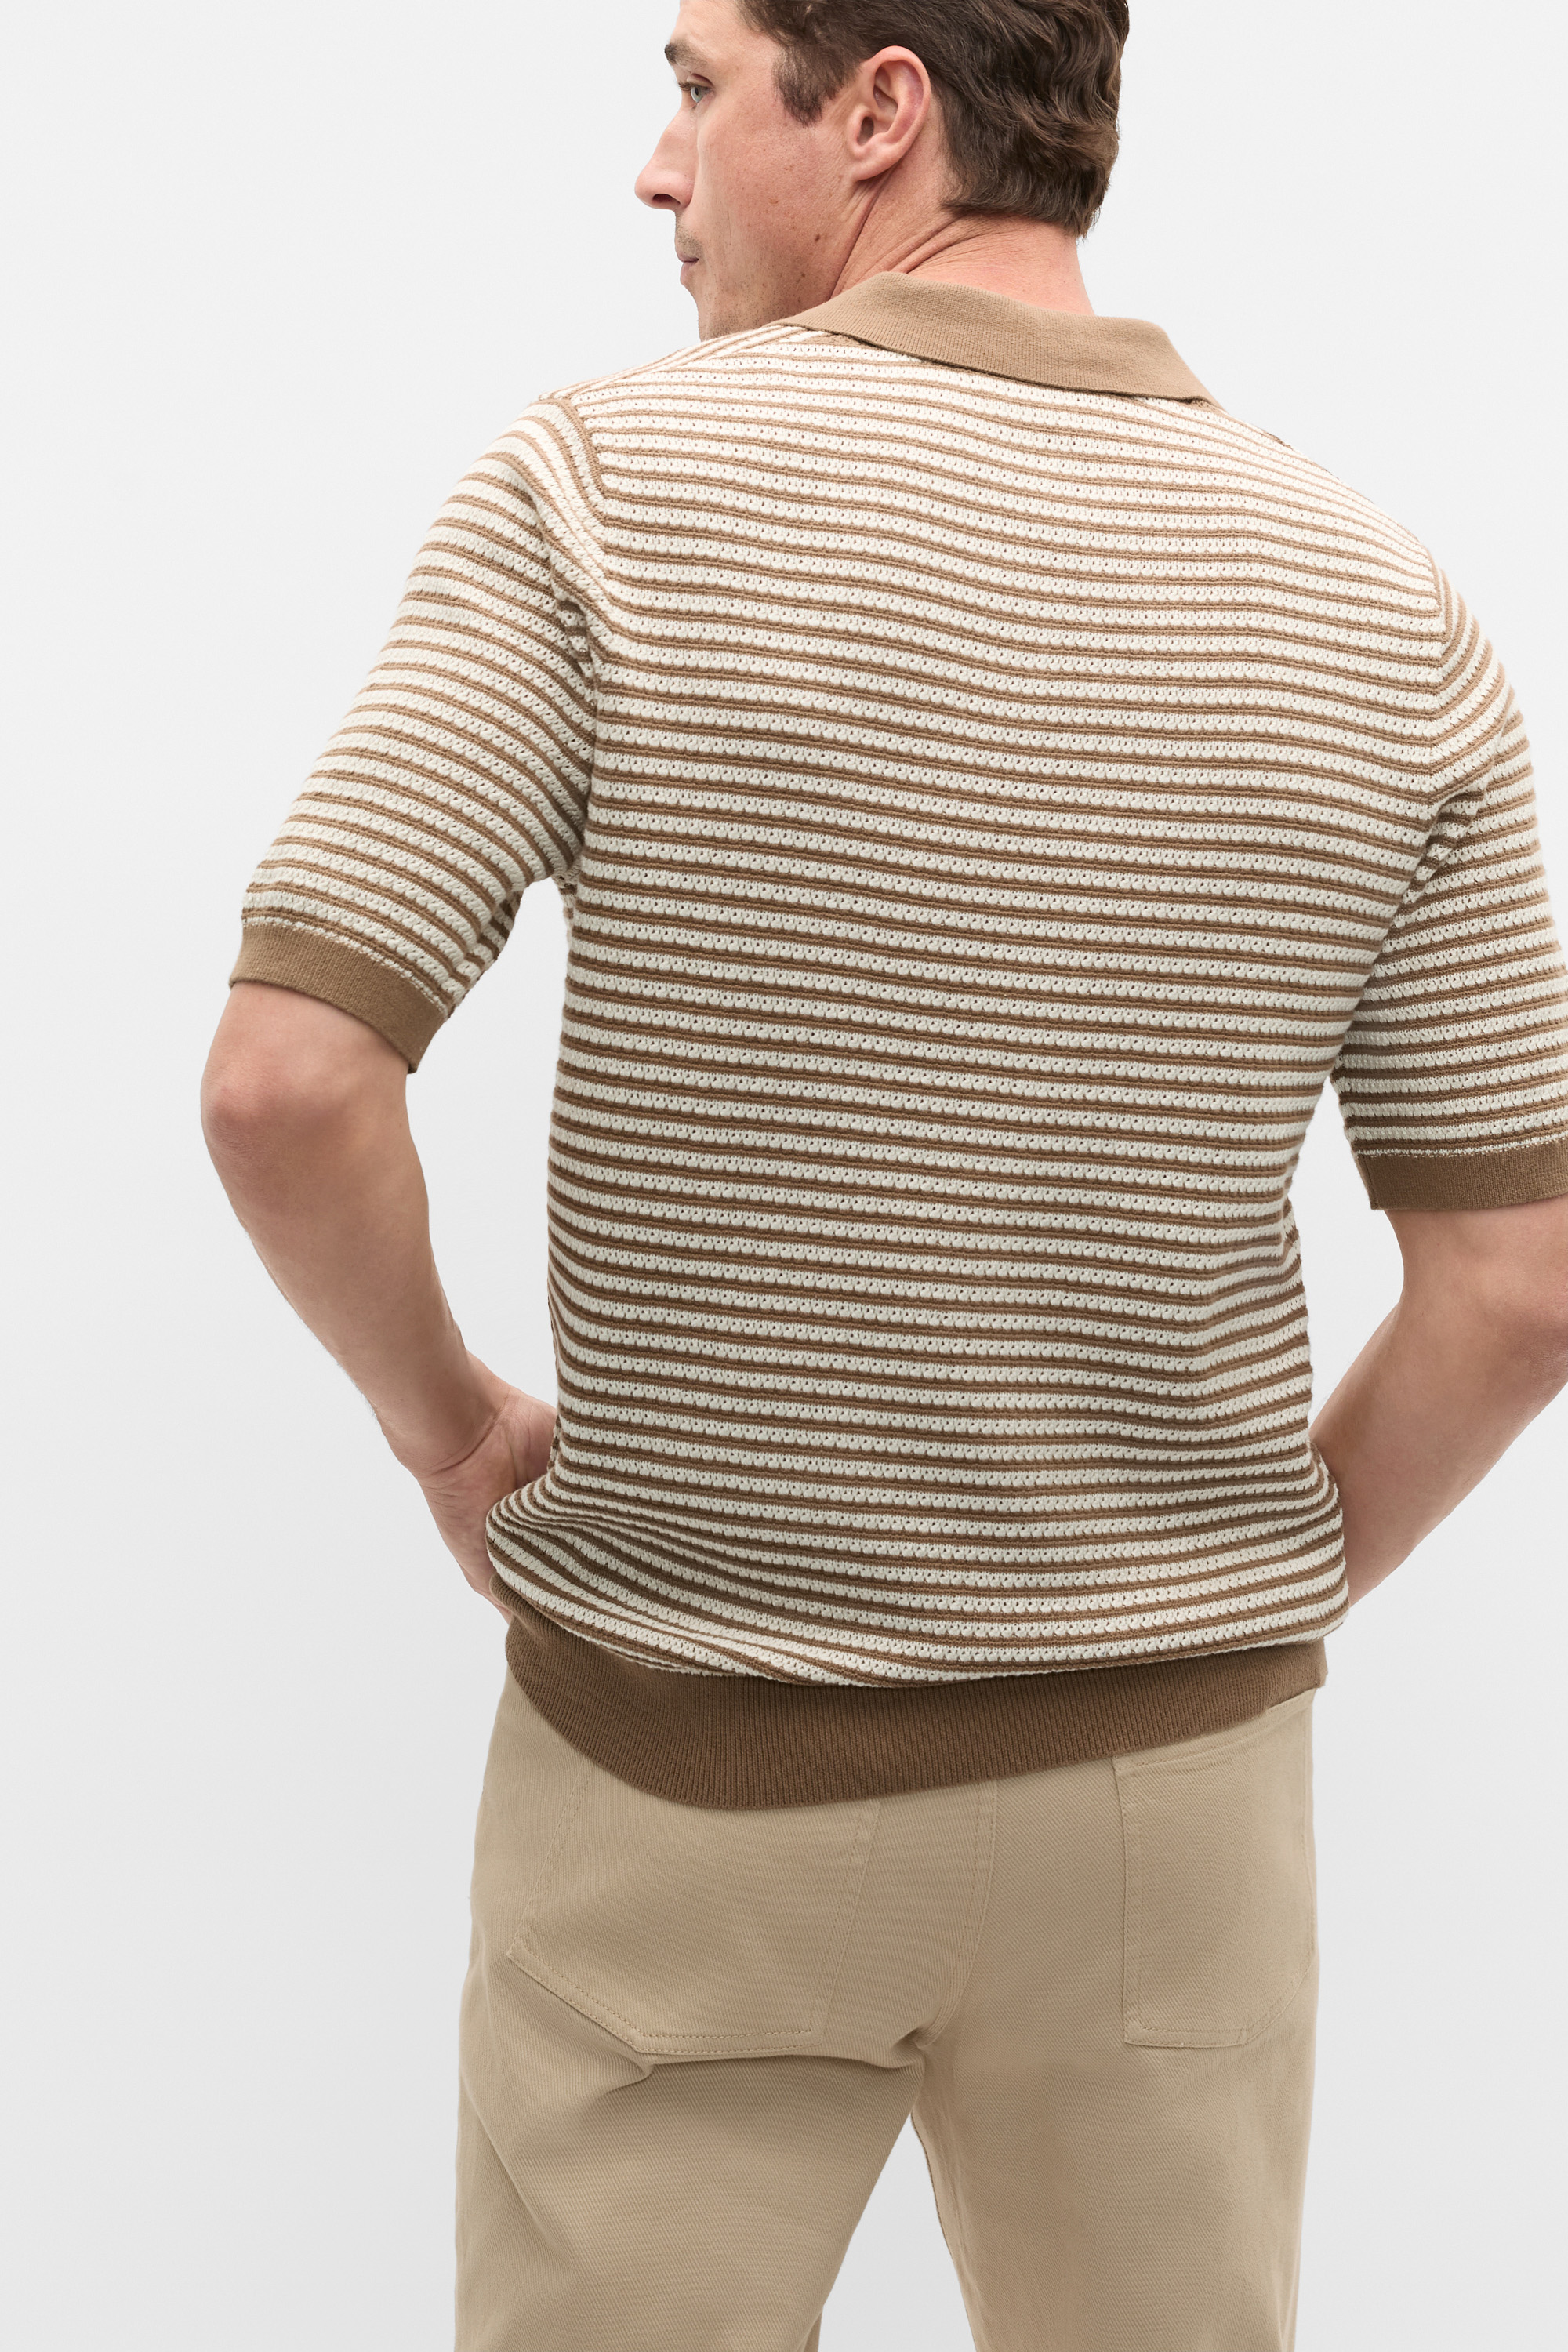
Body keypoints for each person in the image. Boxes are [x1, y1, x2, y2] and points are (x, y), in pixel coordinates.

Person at [200, 3, 1568, 2345]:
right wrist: (1222, 1599)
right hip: (1170, 1821)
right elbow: (1520, 1288)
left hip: (691, 1782)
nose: (656, 168)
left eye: (696, 84)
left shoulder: (603, 487)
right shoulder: (1384, 603)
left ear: (880, 109)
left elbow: (286, 1083)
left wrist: (452, 1439)